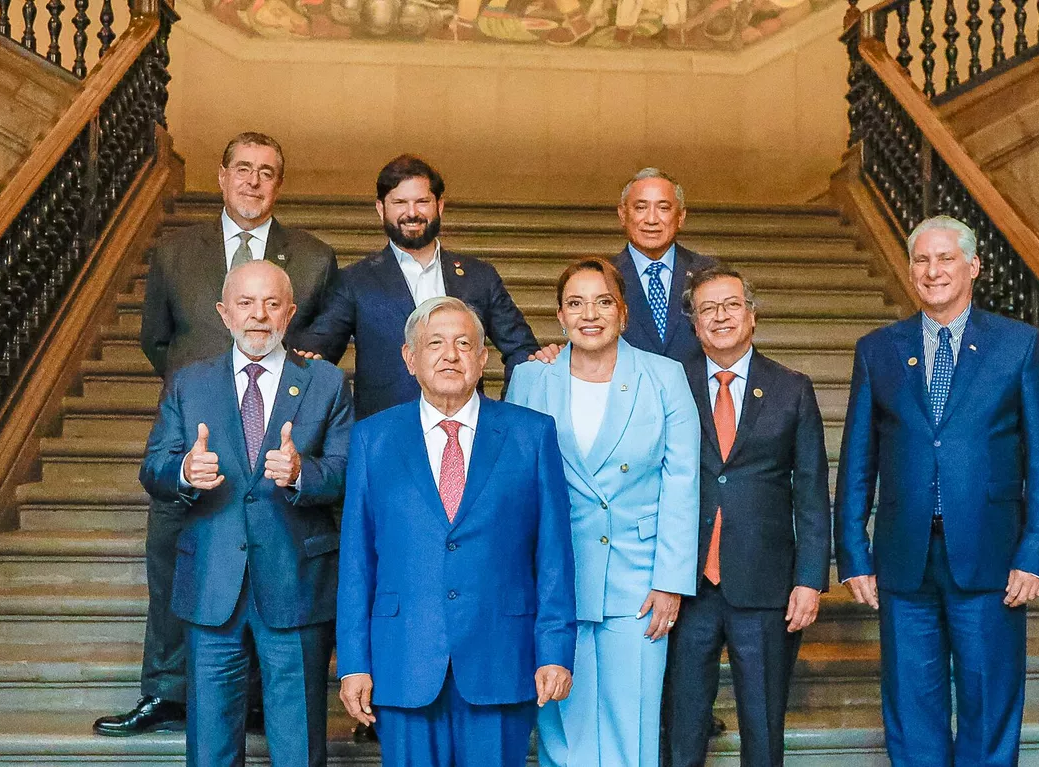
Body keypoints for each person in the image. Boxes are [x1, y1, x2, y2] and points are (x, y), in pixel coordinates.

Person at [102, 131, 339, 738]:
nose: (253, 181)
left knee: (268, 566)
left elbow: (321, 351)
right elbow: (156, 338)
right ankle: (164, 692)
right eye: (242, 168)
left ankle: (255, 701)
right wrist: (203, 393)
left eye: (267, 171)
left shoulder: (312, 258)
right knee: (174, 565)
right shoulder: (178, 252)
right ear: (221, 175)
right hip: (199, 438)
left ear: (279, 184)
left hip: (274, 440)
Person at [835, 216, 1039, 767]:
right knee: (912, 711)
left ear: (973, 268)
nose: (932, 271)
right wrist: (853, 554)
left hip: (991, 557)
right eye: (921, 260)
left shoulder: (1018, 346)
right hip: (902, 559)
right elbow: (857, 461)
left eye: (945, 259)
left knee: (989, 709)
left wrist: (1036, 554)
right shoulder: (878, 350)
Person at [335, 296, 577, 767]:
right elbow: (357, 561)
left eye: (465, 343)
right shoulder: (373, 438)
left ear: (483, 358)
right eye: (436, 344)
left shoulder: (531, 434)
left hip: (501, 658)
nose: (451, 355)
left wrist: (555, 650)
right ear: (409, 358)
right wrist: (354, 663)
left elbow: (553, 555)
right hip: (403, 658)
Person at [137, 261, 353, 766]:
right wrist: (186, 472)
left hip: (296, 583)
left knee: (298, 745)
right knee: (210, 745)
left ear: (291, 313)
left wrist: (303, 473)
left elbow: (349, 472)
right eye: (246, 303)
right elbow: (154, 467)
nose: (259, 316)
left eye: (272, 304)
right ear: (224, 313)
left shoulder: (325, 382)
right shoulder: (190, 383)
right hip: (212, 582)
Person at [503, 258, 700, 767]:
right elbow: (513, 487)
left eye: (603, 301)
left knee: (629, 727)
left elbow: (681, 482)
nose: (590, 314)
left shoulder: (665, 377)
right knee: (560, 731)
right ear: (561, 316)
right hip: (553, 582)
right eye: (576, 303)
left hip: (638, 584)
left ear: (624, 312)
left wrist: (670, 580)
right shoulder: (529, 379)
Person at [663, 265, 829, 767]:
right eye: (707, 308)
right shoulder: (670, 383)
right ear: (694, 324)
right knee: (682, 724)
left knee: (762, 725)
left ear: (752, 315)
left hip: (766, 585)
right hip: (686, 584)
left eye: (731, 305)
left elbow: (812, 493)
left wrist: (810, 580)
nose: (720, 317)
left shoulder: (792, 388)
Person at [289, 155, 555, 418]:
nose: (412, 213)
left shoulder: (479, 276)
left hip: (469, 433)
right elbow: (318, 352)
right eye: (400, 203)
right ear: (381, 208)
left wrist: (503, 413)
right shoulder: (355, 281)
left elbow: (523, 353)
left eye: (422, 202)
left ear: (440, 205)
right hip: (388, 438)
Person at [611, 168, 718, 364]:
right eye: (640, 207)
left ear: (681, 217)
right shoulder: (603, 276)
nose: (651, 220)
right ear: (623, 214)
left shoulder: (710, 273)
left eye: (664, 208)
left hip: (694, 392)